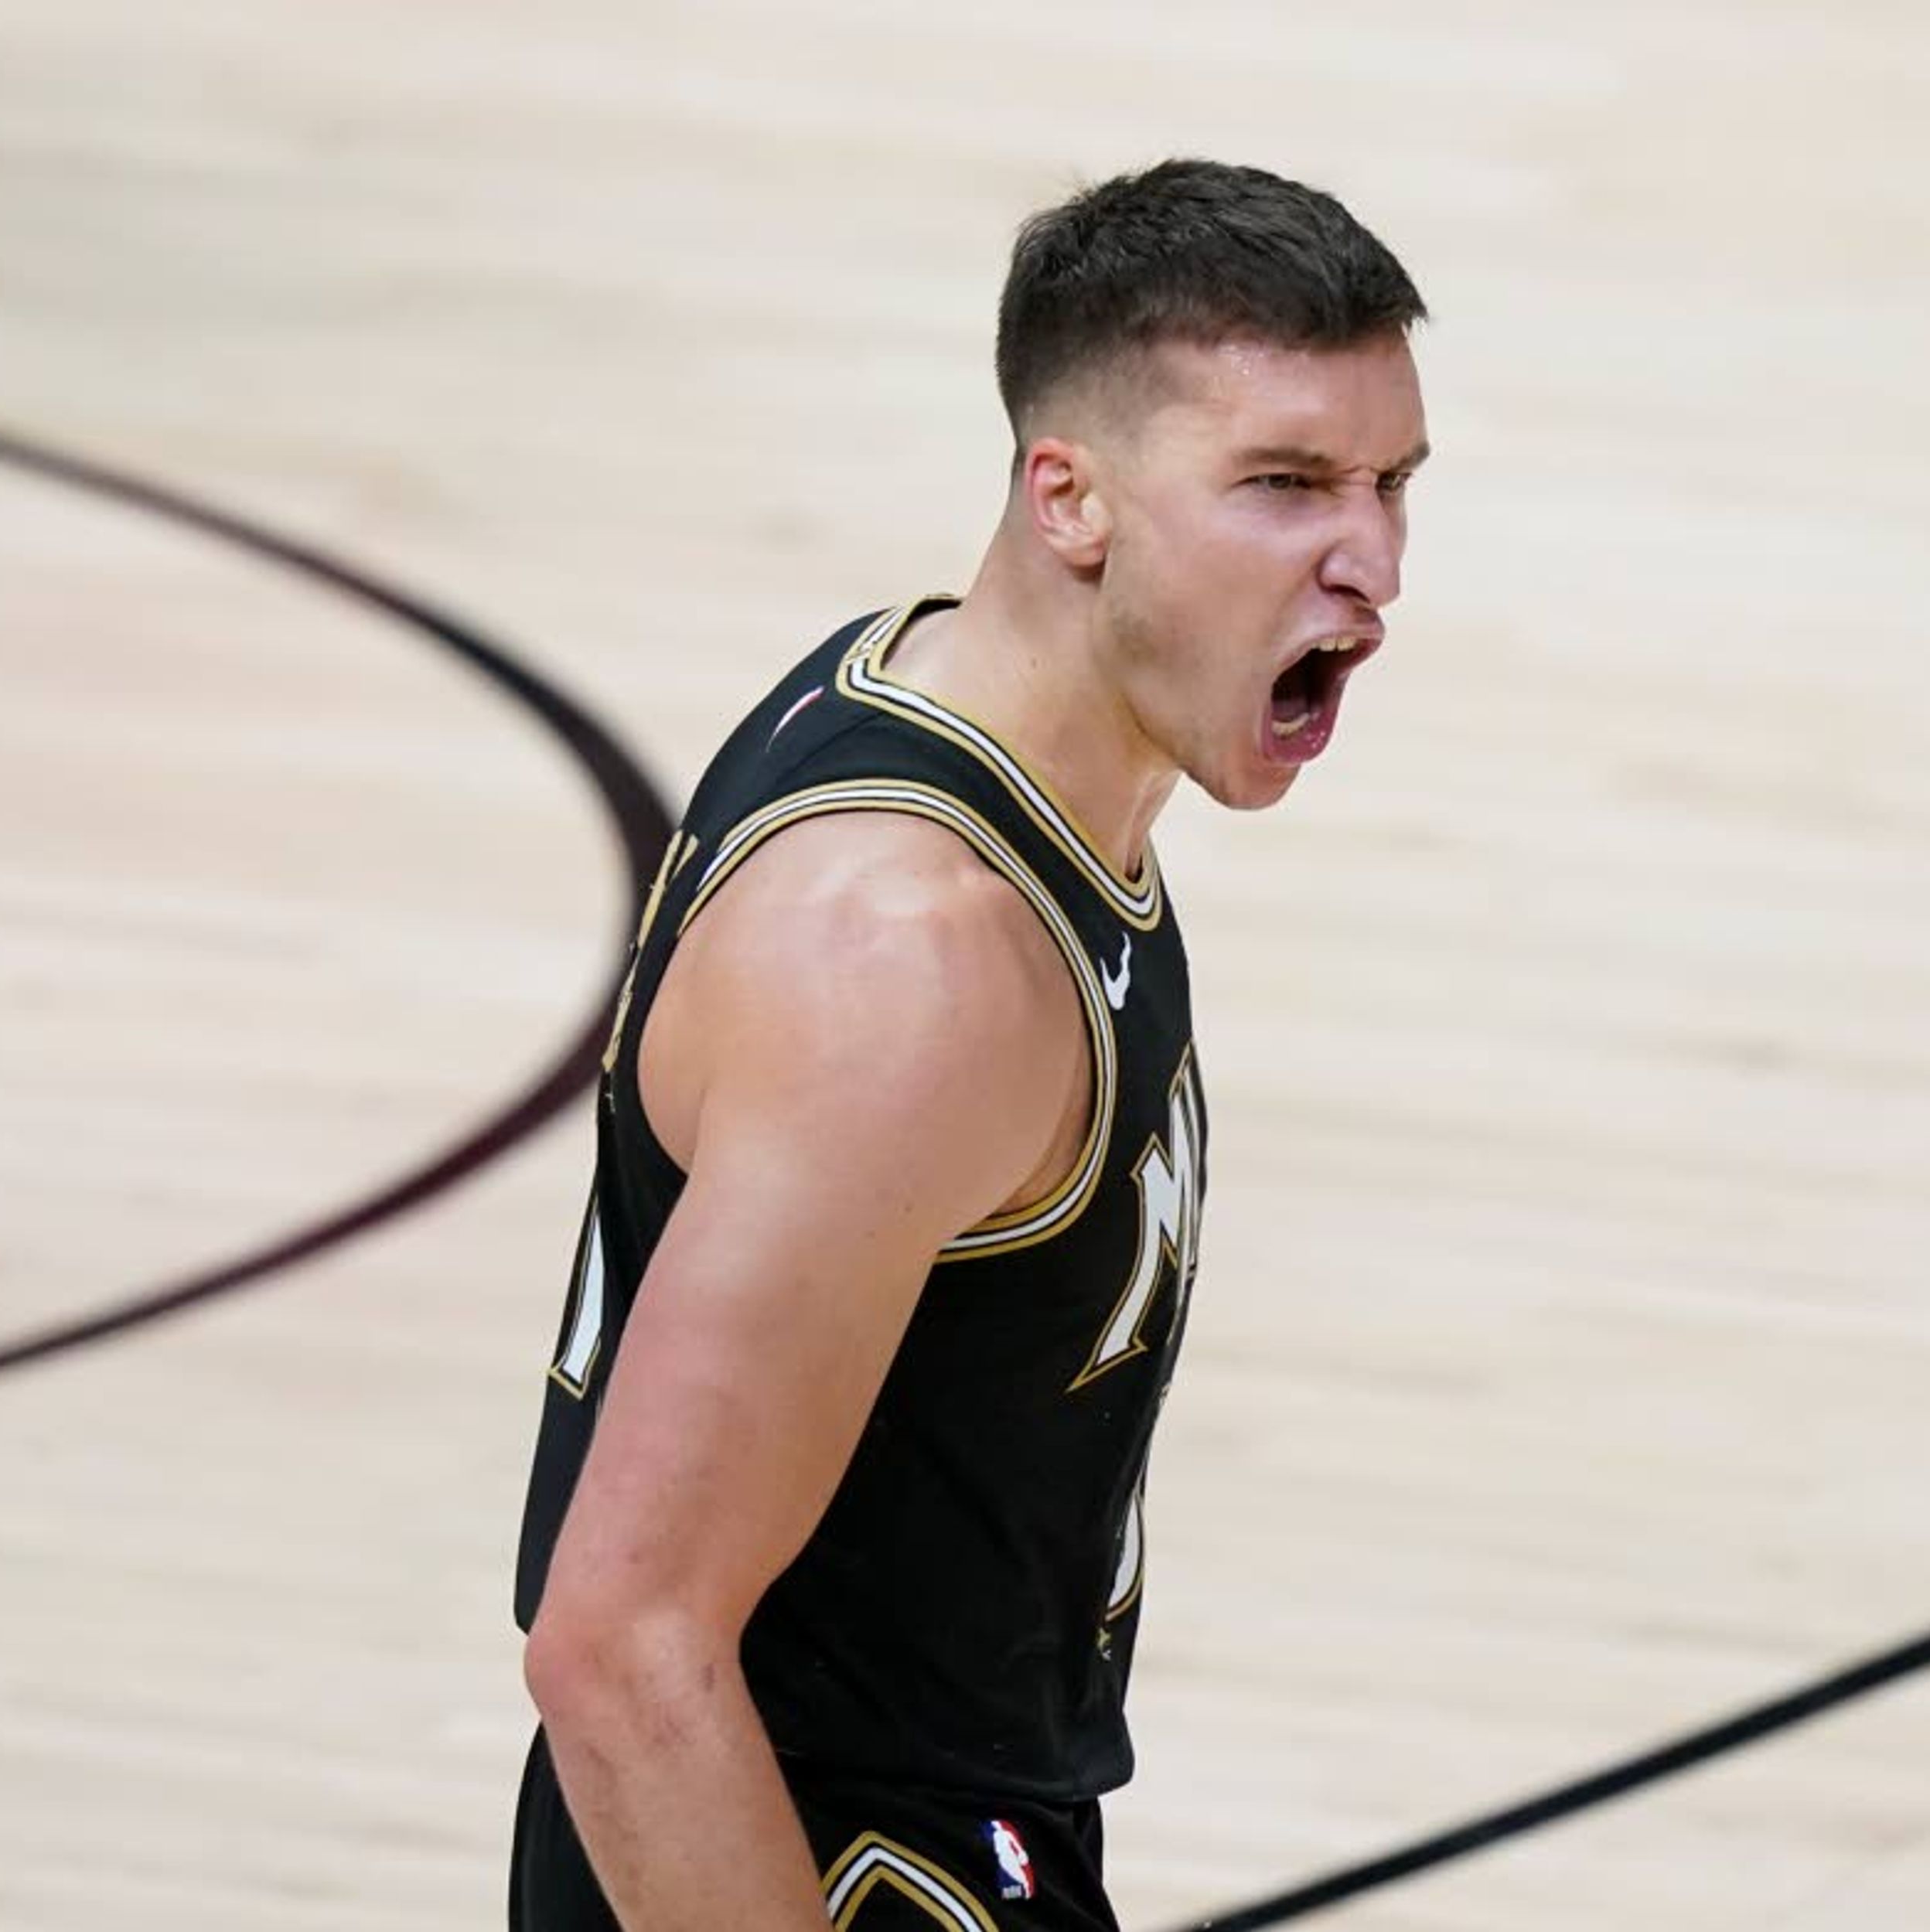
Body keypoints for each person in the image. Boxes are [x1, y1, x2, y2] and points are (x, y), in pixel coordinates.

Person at [510, 157, 1429, 1931]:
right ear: (1068, 497)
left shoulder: (953, 705)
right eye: (1285, 485)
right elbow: (622, 1645)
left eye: (1392, 484)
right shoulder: (906, 963)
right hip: (821, 1862)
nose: (1372, 561)